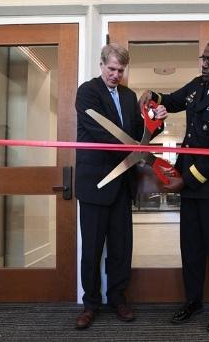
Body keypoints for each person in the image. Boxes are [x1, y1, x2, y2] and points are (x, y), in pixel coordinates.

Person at [138, 38, 209, 332]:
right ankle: (194, 301)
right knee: (191, 248)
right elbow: (173, 100)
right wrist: (154, 94)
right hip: (190, 187)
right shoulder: (198, 85)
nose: (204, 64)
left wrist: (183, 180)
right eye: (203, 58)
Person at [73, 43, 162, 330]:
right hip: (95, 184)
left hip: (122, 184)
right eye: (111, 69)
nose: (115, 74)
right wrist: (135, 150)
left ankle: (118, 299)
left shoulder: (128, 95)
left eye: (120, 70)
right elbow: (98, 131)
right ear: (101, 65)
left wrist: (155, 124)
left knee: (122, 248)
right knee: (92, 249)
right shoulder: (87, 91)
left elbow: (138, 132)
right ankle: (90, 304)